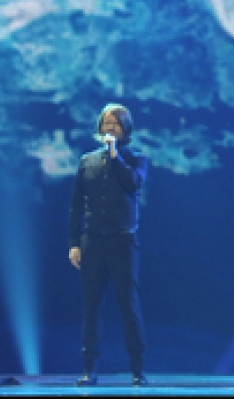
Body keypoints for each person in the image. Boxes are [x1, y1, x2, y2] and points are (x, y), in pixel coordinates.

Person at [68, 103, 149, 387]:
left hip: (123, 241)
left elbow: (133, 183)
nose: (109, 128)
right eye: (105, 123)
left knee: (129, 305)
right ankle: (89, 369)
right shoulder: (87, 161)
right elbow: (77, 204)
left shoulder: (136, 159)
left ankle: (137, 370)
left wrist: (115, 157)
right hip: (93, 241)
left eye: (115, 124)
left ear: (125, 129)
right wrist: (74, 243)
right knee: (91, 307)